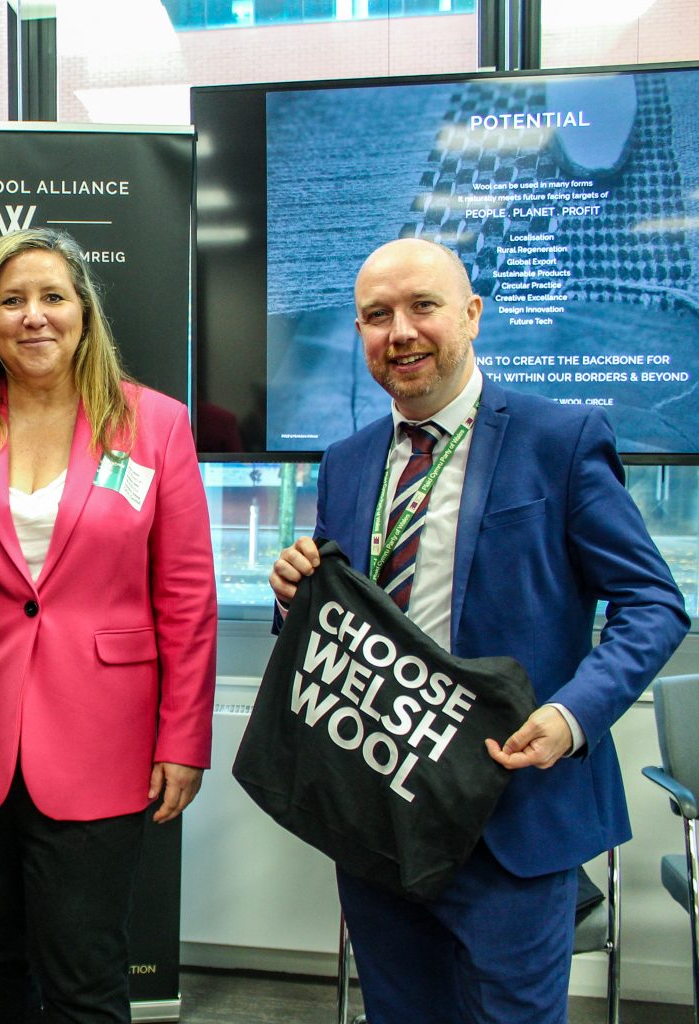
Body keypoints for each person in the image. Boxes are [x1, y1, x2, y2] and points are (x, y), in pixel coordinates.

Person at [269, 237, 689, 1023]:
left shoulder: (558, 440)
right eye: (376, 315)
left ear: (471, 315)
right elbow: (340, 623)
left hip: (514, 814)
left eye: (423, 307)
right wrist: (296, 595)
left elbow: (654, 603)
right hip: (380, 816)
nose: (400, 332)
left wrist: (572, 716)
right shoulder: (348, 462)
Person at [0, 228, 218, 1024]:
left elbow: (185, 594)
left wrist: (184, 739)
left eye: (52, 297)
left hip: (103, 741)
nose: (33, 317)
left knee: (85, 977)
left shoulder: (155, 425)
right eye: (11, 301)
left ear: (83, 312)